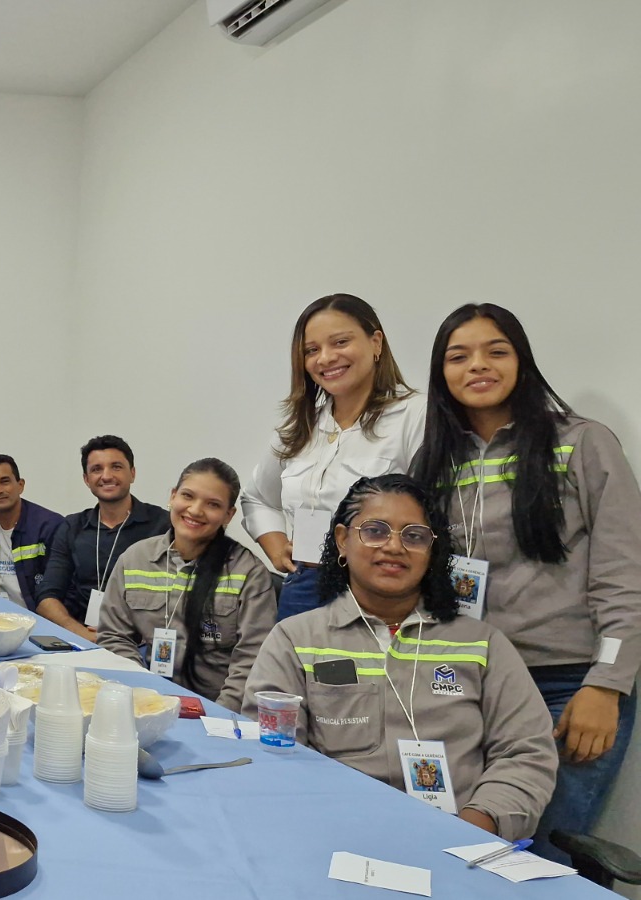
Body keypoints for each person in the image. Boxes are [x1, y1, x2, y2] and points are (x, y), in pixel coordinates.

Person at [411, 304, 641, 861]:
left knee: (541, 855)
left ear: (522, 360)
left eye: (496, 351)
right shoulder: (434, 460)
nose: (478, 366)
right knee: (460, 842)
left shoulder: (582, 443)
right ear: (442, 373)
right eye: (458, 356)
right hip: (464, 676)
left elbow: (623, 573)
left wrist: (607, 683)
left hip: (567, 683)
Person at [244, 474, 557, 840]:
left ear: (431, 551)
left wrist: (476, 826)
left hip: (461, 841)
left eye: (414, 536)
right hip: (334, 837)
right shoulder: (295, 640)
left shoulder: (482, 644)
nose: (394, 546)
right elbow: (273, 754)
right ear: (343, 541)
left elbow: (527, 752)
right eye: (375, 531)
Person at [239, 294, 426, 622]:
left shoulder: (415, 415)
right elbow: (257, 497)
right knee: (296, 673)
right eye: (312, 350)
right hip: (305, 585)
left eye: (340, 342)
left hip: (379, 592)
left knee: (372, 676)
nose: (325, 358)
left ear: (376, 342)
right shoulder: (301, 424)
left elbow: (435, 515)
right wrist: (275, 543)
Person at [97, 459, 276, 711]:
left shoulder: (248, 573)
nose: (195, 510)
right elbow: (113, 636)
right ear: (172, 496)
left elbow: (252, 660)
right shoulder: (135, 559)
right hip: (145, 701)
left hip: (214, 710)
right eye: (187, 496)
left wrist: (217, 716)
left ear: (228, 515)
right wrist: (141, 695)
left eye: (213, 504)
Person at [35, 435, 170, 642]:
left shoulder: (163, 524)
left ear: (132, 473)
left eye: (116, 467)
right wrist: (80, 633)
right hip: (85, 637)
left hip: (145, 643)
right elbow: (47, 598)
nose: (106, 476)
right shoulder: (72, 526)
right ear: (86, 479)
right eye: (97, 469)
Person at [0, 454, 64, 608]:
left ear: (20, 485)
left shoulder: (51, 525)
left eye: (5, 482)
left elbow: (59, 588)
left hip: (39, 617)